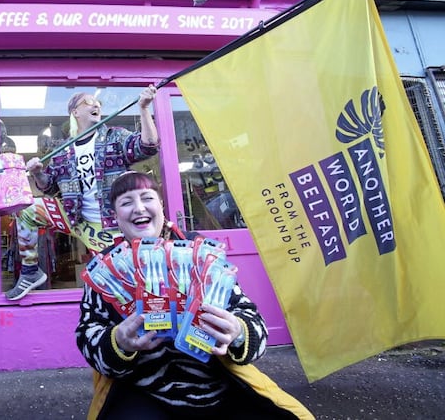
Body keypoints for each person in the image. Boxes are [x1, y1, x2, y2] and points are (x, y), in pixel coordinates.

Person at [76, 171, 313, 419]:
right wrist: (117, 342)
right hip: (142, 391)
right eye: (126, 202)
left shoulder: (200, 253)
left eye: (147, 198)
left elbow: (252, 322)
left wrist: (237, 332)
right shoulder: (104, 269)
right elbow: (87, 332)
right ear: (115, 215)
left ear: (161, 205)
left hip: (218, 386)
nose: (138, 208)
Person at [5, 86, 160, 301]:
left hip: (108, 226)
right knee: (27, 209)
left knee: (125, 289)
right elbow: (50, 187)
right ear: (75, 112)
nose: (96, 105)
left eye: (98, 104)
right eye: (88, 103)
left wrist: (144, 109)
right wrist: (38, 174)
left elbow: (148, 146)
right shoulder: (63, 149)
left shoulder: (114, 137)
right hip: (74, 218)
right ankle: (31, 272)